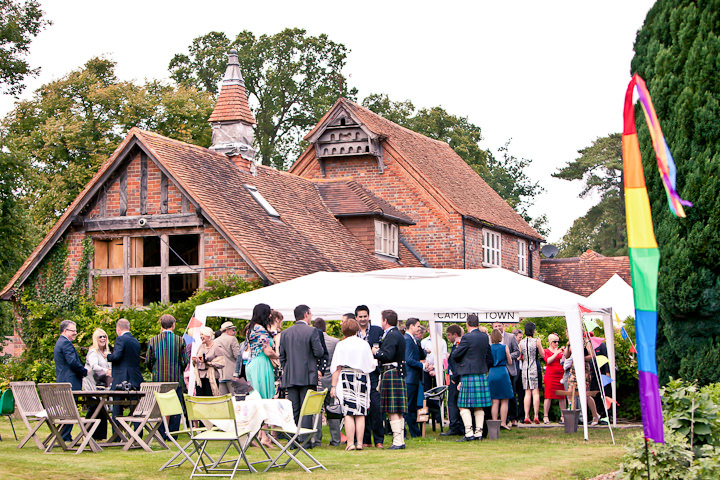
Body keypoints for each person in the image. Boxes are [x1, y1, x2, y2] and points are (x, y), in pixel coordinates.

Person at [279, 304, 324, 443]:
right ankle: (305, 440)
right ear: (306, 314)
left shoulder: (285, 333)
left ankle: (293, 440)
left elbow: (282, 356)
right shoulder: (312, 332)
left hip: (291, 376)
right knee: (306, 410)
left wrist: (288, 369)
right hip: (308, 375)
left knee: (294, 409)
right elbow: (319, 352)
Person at [329, 317, 376, 451]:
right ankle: (360, 443)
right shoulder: (364, 344)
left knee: (348, 412)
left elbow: (336, 368)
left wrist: (333, 386)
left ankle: (350, 443)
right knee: (360, 412)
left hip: (346, 376)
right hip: (361, 376)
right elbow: (371, 364)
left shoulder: (341, 345)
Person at [449, 314, 493, 441]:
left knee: (462, 405)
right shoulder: (485, 337)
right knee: (479, 406)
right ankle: (479, 433)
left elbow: (456, 355)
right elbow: (488, 356)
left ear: (467, 324)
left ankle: (469, 433)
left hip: (468, 373)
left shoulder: (467, 337)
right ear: (478, 323)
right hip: (481, 373)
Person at [146, 314, 187, 436]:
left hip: (159, 379)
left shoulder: (153, 341)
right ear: (173, 325)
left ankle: (161, 432)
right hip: (175, 378)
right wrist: (180, 370)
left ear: (161, 325)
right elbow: (185, 361)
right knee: (175, 406)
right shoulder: (180, 340)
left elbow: (148, 360)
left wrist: (153, 370)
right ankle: (173, 432)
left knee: (160, 407)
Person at [372, 309, 407, 450]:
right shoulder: (396, 334)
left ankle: (398, 441)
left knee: (393, 410)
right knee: (396, 410)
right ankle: (399, 440)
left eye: (381, 320)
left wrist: (376, 352)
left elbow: (387, 355)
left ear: (385, 321)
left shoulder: (392, 335)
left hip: (392, 373)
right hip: (395, 373)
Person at [355, 306, 385, 449]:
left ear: (368, 316)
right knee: (362, 407)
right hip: (359, 373)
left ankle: (379, 440)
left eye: (365, 316)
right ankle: (365, 439)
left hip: (374, 373)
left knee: (376, 406)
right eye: (360, 317)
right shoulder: (353, 333)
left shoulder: (377, 331)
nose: (362, 319)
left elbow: (383, 349)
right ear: (356, 318)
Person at [54, 320, 88, 441]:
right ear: (65, 331)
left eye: (75, 330)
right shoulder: (65, 343)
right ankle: (64, 436)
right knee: (70, 410)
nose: (75, 333)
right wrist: (84, 371)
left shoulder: (60, 342)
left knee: (68, 410)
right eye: (72, 330)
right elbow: (72, 362)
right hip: (70, 382)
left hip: (63, 381)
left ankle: (65, 435)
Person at [312, 317, 341, 447]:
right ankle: (336, 439)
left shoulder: (312, 339)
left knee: (317, 410)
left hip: (317, 379)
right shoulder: (335, 342)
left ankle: (316, 439)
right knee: (333, 410)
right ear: (325, 328)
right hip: (331, 379)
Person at [108, 318, 142, 418]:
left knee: (117, 408)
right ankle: (137, 432)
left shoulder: (120, 339)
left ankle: (117, 433)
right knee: (135, 408)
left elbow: (116, 356)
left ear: (118, 329)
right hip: (134, 378)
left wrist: (108, 355)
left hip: (121, 379)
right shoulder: (135, 341)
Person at [83, 328, 112, 440]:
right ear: (95, 339)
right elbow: (94, 366)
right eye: (100, 336)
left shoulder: (107, 353)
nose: (103, 338)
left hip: (103, 385)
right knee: (94, 407)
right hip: (92, 385)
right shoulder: (93, 352)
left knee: (102, 409)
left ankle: (100, 436)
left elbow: (110, 366)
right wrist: (107, 371)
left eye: (104, 336)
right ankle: (87, 434)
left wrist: (110, 372)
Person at [245, 303, 278, 400]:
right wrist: (278, 356)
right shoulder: (260, 329)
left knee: (253, 395)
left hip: (251, 362)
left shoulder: (250, 328)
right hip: (261, 364)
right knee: (263, 397)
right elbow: (268, 351)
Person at [492, 322, 520, 426]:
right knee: (501, 398)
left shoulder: (511, 337)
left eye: (500, 325)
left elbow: (517, 352)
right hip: (502, 370)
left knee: (511, 395)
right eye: (496, 326)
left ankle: (513, 418)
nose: (498, 327)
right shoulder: (493, 343)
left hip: (507, 370)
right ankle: (503, 421)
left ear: (503, 326)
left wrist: (506, 356)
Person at [403, 318, 426, 438]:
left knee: (411, 407)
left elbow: (420, 354)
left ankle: (414, 432)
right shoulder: (407, 340)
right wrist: (422, 365)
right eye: (417, 326)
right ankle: (405, 432)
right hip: (410, 377)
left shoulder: (414, 340)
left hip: (414, 378)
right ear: (411, 326)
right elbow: (409, 360)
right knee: (408, 406)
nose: (419, 328)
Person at [440, 324, 464, 436]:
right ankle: (457, 425)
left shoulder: (458, 346)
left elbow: (457, 363)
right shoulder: (457, 345)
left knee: (453, 403)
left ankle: (455, 426)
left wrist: (455, 377)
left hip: (456, 378)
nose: (448, 337)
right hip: (455, 378)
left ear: (455, 335)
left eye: (449, 335)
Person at [518, 321, 544, 424]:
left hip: (525, 368)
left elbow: (519, 357)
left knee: (527, 392)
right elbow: (542, 354)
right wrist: (540, 344)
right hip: (534, 366)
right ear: (533, 331)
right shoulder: (536, 341)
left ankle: (526, 415)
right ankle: (536, 415)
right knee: (535, 391)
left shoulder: (521, 342)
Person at [488, 328, 514, 430]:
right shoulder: (504, 347)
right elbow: (510, 362)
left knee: (495, 400)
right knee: (504, 400)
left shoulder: (489, 348)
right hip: (502, 372)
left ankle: (495, 422)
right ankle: (503, 422)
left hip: (492, 372)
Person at [542, 333, 567, 424]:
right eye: (554, 342)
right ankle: (545, 416)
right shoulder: (546, 351)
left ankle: (563, 416)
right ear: (549, 342)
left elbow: (565, 360)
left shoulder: (559, 351)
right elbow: (548, 360)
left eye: (557, 342)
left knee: (562, 396)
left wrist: (564, 353)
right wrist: (557, 352)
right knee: (548, 395)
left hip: (560, 374)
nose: (556, 343)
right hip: (550, 375)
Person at [193, 327, 223, 396]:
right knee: (200, 399)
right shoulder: (201, 346)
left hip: (211, 377)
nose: (201, 337)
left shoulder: (216, 347)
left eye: (202, 334)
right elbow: (199, 358)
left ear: (208, 335)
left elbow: (221, 362)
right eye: (200, 335)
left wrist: (209, 363)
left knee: (210, 398)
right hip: (200, 377)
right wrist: (195, 361)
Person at [214, 321, 241, 395]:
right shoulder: (232, 339)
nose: (234, 332)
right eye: (233, 330)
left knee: (223, 399)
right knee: (235, 398)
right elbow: (237, 355)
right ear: (227, 330)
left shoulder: (215, 341)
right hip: (232, 373)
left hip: (220, 374)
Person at [511, 328, 524, 425]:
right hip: (514, 370)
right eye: (520, 337)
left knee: (521, 394)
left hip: (521, 370)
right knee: (513, 392)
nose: (521, 339)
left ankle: (521, 415)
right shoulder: (513, 345)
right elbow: (517, 356)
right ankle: (513, 416)